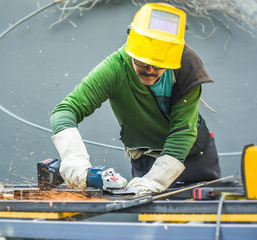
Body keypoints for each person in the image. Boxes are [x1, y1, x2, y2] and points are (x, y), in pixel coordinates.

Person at [50, 3, 221, 196]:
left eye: (158, 65)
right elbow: (65, 111)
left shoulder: (187, 64)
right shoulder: (115, 69)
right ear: (132, 48)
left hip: (193, 156)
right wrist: (74, 159)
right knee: (150, 218)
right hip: (146, 158)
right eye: (142, 62)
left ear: (172, 57)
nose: (149, 71)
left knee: (205, 212)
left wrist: (155, 181)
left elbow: (183, 132)